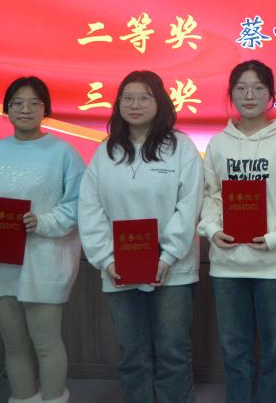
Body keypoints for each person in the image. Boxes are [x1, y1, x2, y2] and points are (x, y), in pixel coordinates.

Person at [78, 70, 203, 403]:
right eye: (128, 98)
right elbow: (90, 208)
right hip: (119, 269)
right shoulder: (105, 152)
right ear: (118, 104)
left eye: (144, 98)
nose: (135, 105)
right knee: (132, 354)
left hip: (172, 270)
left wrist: (168, 255)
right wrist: (106, 258)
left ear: (159, 102)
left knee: (173, 353)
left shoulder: (181, 147)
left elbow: (189, 205)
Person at [0, 77, 83, 403]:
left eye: (34, 103)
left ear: (46, 109)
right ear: (7, 110)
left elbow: (76, 206)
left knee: (46, 344)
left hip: (44, 261)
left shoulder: (64, 153)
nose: (25, 109)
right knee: (14, 345)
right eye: (17, 103)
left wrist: (43, 222)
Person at [197, 60, 276, 403]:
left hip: (275, 264)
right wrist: (213, 230)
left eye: (258, 88)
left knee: (275, 349)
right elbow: (211, 195)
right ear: (230, 94)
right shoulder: (218, 144)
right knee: (234, 349)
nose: (249, 95)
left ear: (271, 95)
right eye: (241, 88)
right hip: (227, 265)